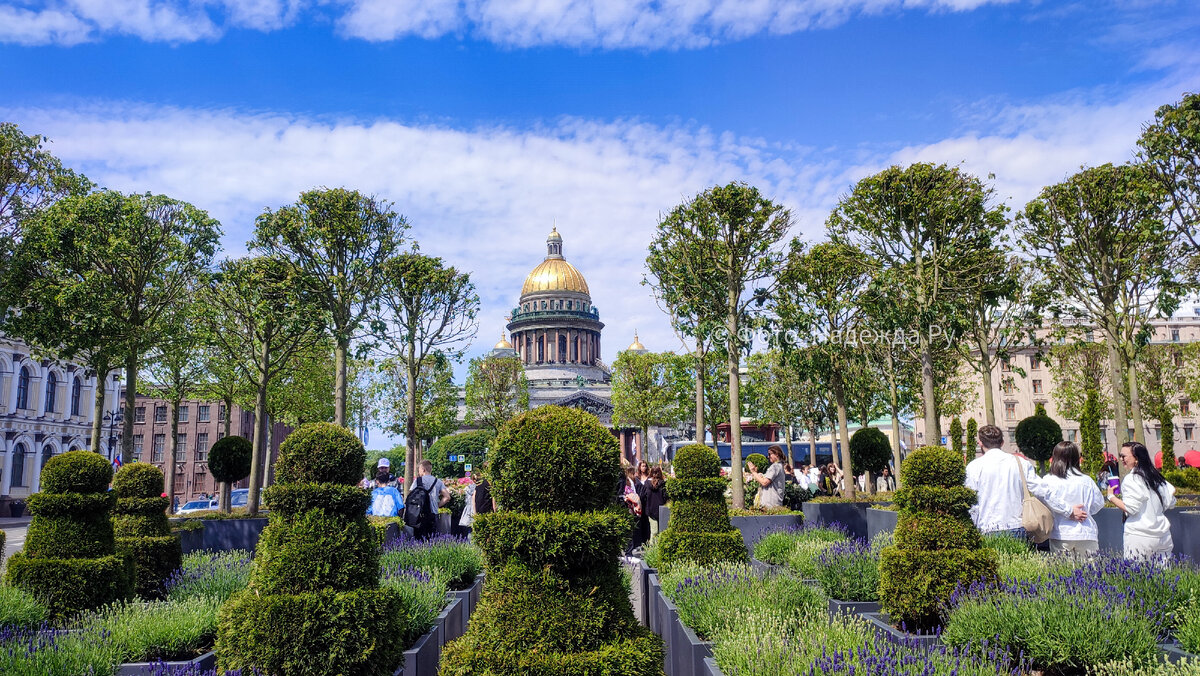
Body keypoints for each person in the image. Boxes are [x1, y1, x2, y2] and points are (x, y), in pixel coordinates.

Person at [965, 425, 1087, 537]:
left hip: (986, 527)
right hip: (1016, 525)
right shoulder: (1020, 463)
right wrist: (1069, 510)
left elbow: (971, 502)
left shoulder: (973, 467)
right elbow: (1043, 491)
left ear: (980, 443)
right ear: (1002, 442)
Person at [1107, 441, 1177, 560]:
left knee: (1137, 576)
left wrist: (1111, 496)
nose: (1121, 459)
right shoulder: (1156, 477)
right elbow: (1171, 498)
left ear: (1136, 459)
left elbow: (1131, 509)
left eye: (1123, 456)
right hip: (1163, 534)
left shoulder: (1132, 479)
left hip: (1140, 535)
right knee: (1164, 576)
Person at [1042, 441, 1104, 557]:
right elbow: (1098, 503)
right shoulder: (1087, 480)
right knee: (1090, 572)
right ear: (1077, 458)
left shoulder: (1048, 480)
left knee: (1063, 572)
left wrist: (1066, 511)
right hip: (1086, 532)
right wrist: (1084, 511)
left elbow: (1043, 502)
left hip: (1061, 532)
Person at [404, 460, 451, 540]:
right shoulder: (438, 481)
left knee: (418, 538)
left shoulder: (418, 481)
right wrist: (437, 505)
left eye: (419, 470)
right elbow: (447, 497)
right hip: (433, 513)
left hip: (419, 514)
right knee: (431, 538)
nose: (418, 472)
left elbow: (411, 495)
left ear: (423, 469)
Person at [620, 466, 646, 553]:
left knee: (630, 529)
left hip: (629, 507)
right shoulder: (627, 481)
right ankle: (628, 551)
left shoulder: (629, 481)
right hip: (628, 507)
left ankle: (628, 550)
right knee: (629, 529)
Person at [639, 466, 667, 543]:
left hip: (650, 509)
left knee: (653, 531)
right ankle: (659, 548)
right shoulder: (663, 484)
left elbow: (642, 496)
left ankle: (652, 549)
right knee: (662, 532)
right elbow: (666, 497)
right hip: (662, 510)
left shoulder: (646, 484)